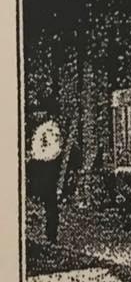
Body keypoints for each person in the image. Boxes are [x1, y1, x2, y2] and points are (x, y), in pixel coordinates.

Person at [26, 104, 64, 245]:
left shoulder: (49, 129)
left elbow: (55, 150)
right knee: (49, 203)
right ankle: (49, 233)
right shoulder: (45, 130)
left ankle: (51, 234)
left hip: (47, 167)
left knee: (50, 203)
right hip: (45, 166)